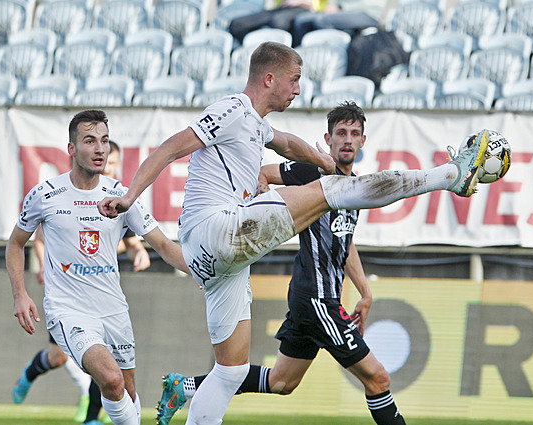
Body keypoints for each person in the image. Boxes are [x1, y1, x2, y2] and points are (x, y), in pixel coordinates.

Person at [97, 42, 490, 425]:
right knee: (335, 192)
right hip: (218, 228)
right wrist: (131, 194)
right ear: (270, 78)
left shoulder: (256, 124)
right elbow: (169, 148)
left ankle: (190, 398)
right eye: (295, 79)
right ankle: (450, 175)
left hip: (217, 260)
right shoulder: (233, 109)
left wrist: (320, 159)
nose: (298, 89)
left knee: (231, 371)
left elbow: (286, 143)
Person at [154, 101, 405, 425]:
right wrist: (261, 200)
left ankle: (184, 386)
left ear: (363, 142)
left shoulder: (352, 188)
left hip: (312, 300)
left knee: (281, 382)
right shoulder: (310, 173)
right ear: (327, 140)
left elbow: (345, 242)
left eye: (354, 134)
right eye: (340, 133)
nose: (347, 139)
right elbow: (263, 174)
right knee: (379, 379)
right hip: (316, 300)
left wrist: (364, 291)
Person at [6, 109, 191, 425]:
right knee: (110, 377)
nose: (100, 149)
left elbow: (162, 244)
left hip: (113, 309)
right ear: (71, 149)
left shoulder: (120, 195)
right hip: (69, 310)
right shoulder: (45, 195)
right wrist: (20, 294)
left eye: (104, 141)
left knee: (127, 388)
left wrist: (200, 270)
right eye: (90, 141)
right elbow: (15, 244)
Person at [228, 0, 323, 45]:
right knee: (237, 24)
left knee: (278, 22)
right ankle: (255, 51)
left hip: (306, 7)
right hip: (281, 7)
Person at [291, 0, 381, 46]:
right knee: (301, 19)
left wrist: (340, 7)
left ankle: (334, 55)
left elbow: (371, 3)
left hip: (368, 12)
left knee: (322, 21)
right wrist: (331, 5)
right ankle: (296, 59)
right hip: (340, 10)